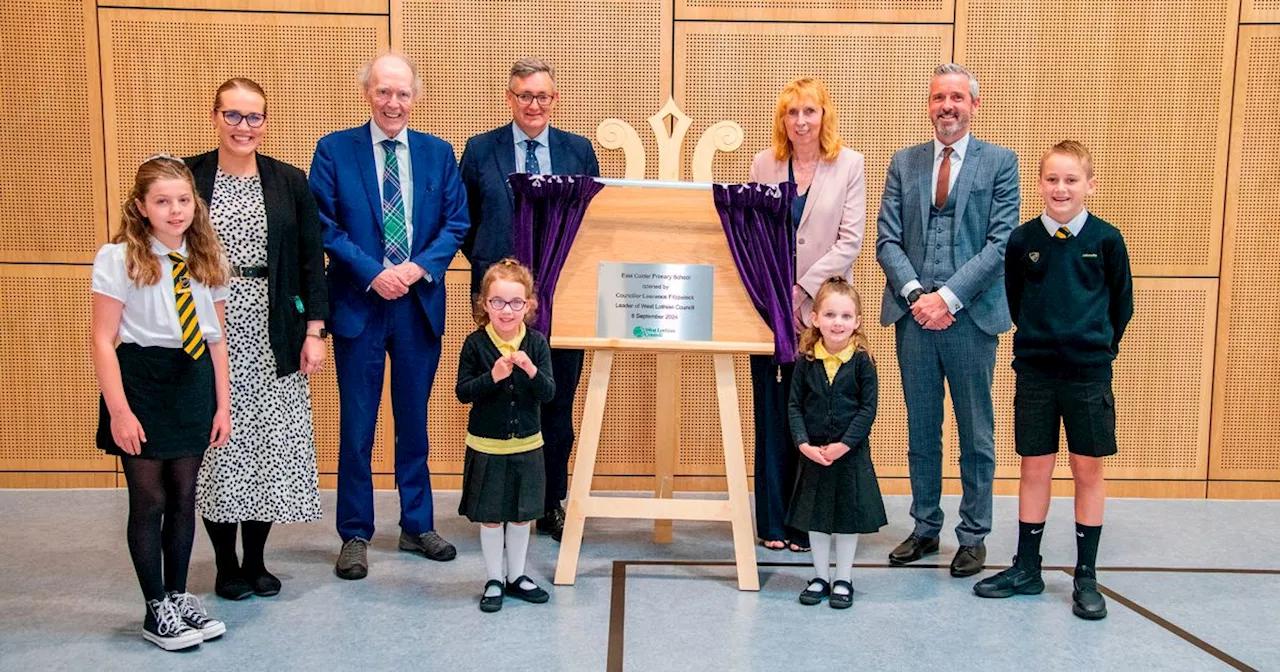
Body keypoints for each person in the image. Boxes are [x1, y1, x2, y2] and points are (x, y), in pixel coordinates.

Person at [310, 51, 470, 579]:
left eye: (402, 92)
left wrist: (415, 269)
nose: (393, 102)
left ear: (415, 96)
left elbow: (456, 224)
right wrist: (373, 272)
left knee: (414, 422)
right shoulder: (334, 150)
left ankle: (416, 523)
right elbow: (325, 225)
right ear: (367, 93)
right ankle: (354, 533)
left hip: (417, 306)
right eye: (383, 91)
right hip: (360, 304)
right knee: (357, 425)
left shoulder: (438, 153)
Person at [973, 141, 1133, 620]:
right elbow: (1018, 302)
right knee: (1034, 468)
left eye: (1071, 180)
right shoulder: (1023, 242)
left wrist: (1095, 349)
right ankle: (1027, 566)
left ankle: (1086, 574)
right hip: (1037, 374)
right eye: (1051, 179)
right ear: (1039, 184)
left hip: (1087, 376)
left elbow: (1120, 308)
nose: (1060, 188)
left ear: (1090, 185)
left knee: (1087, 470)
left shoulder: (1106, 240)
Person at [186, 78, 329, 601]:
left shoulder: (289, 181)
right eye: (234, 115)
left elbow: (313, 262)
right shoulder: (191, 176)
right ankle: (225, 565)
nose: (244, 127)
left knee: (268, 447)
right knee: (220, 448)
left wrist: (315, 331)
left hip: (275, 328)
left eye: (254, 117)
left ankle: (258, 561)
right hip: (205, 328)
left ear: (266, 122)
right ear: (215, 116)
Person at [875, 63, 1020, 577]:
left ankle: (974, 534)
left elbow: (1001, 244)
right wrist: (918, 294)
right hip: (913, 317)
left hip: (972, 319)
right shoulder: (904, 162)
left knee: (976, 430)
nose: (947, 106)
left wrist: (949, 297)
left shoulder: (1001, 163)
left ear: (974, 106)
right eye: (939, 97)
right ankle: (924, 527)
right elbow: (887, 240)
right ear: (929, 105)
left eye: (957, 97)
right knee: (921, 428)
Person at [91, 155, 230, 650]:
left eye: (183, 200)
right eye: (163, 202)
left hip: (191, 378)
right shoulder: (119, 257)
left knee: (184, 495)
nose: (175, 211)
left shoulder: (206, 255)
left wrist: (222, 405)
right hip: (142, 381)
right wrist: (120, 410)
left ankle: (177, 594)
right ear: (141, 207)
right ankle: (155, 607)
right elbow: (103, 340)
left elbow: (215, 340)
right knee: (150, 498)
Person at [459, 57, 600, 541]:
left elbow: (592, 224)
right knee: (499, 400)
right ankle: (498, 502)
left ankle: (549, 503)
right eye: (524, 95)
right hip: (500, 307)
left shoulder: (578, 151)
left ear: (555, 99)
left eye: (542, 95)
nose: (533, 104)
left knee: (555, 406)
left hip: (565, 302)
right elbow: (467, 222)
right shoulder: (481, 150)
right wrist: (498, 279)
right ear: (510, 98)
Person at [748, 77, 866, 553]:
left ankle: (806, 524)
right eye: (792, 112)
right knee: (773, 415)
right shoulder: (763, 164)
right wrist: (777, 297)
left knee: (815, 416)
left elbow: (850, 240)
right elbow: (751, 235)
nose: (801, 121)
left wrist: (802, 294)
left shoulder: (850, 164)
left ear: (824, 115)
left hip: (821, 315)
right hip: (768, 312)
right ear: (783, 119)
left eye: (809, 112)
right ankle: (773, 522)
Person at [455, 259, 556, 612]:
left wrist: (529, 369)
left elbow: (548, 393)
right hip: (486, 446)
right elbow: (463, 392)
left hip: (528, 445)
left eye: (516, 302)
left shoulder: (538, 344)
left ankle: (517, 576)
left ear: (529, 305)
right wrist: (492, 376)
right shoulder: (475, 344)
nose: (507, 310)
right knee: (492, 516)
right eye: (498, 301)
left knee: (520, 515)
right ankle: (494, 579)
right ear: (484, 304)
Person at [787, 277, 886, 609]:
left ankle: (843, 578)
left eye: (846, 316)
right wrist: (803, 444)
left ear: (857, 321)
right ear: (815, 318)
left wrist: (844, 445)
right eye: (830, 315)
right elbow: (795, 406)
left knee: (846, 519)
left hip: (849, 455)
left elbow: (867, 409)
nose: (838, 323)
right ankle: (819, 576)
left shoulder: (862, 362)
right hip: (814, 455)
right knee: (817, 519)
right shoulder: (805, 360)